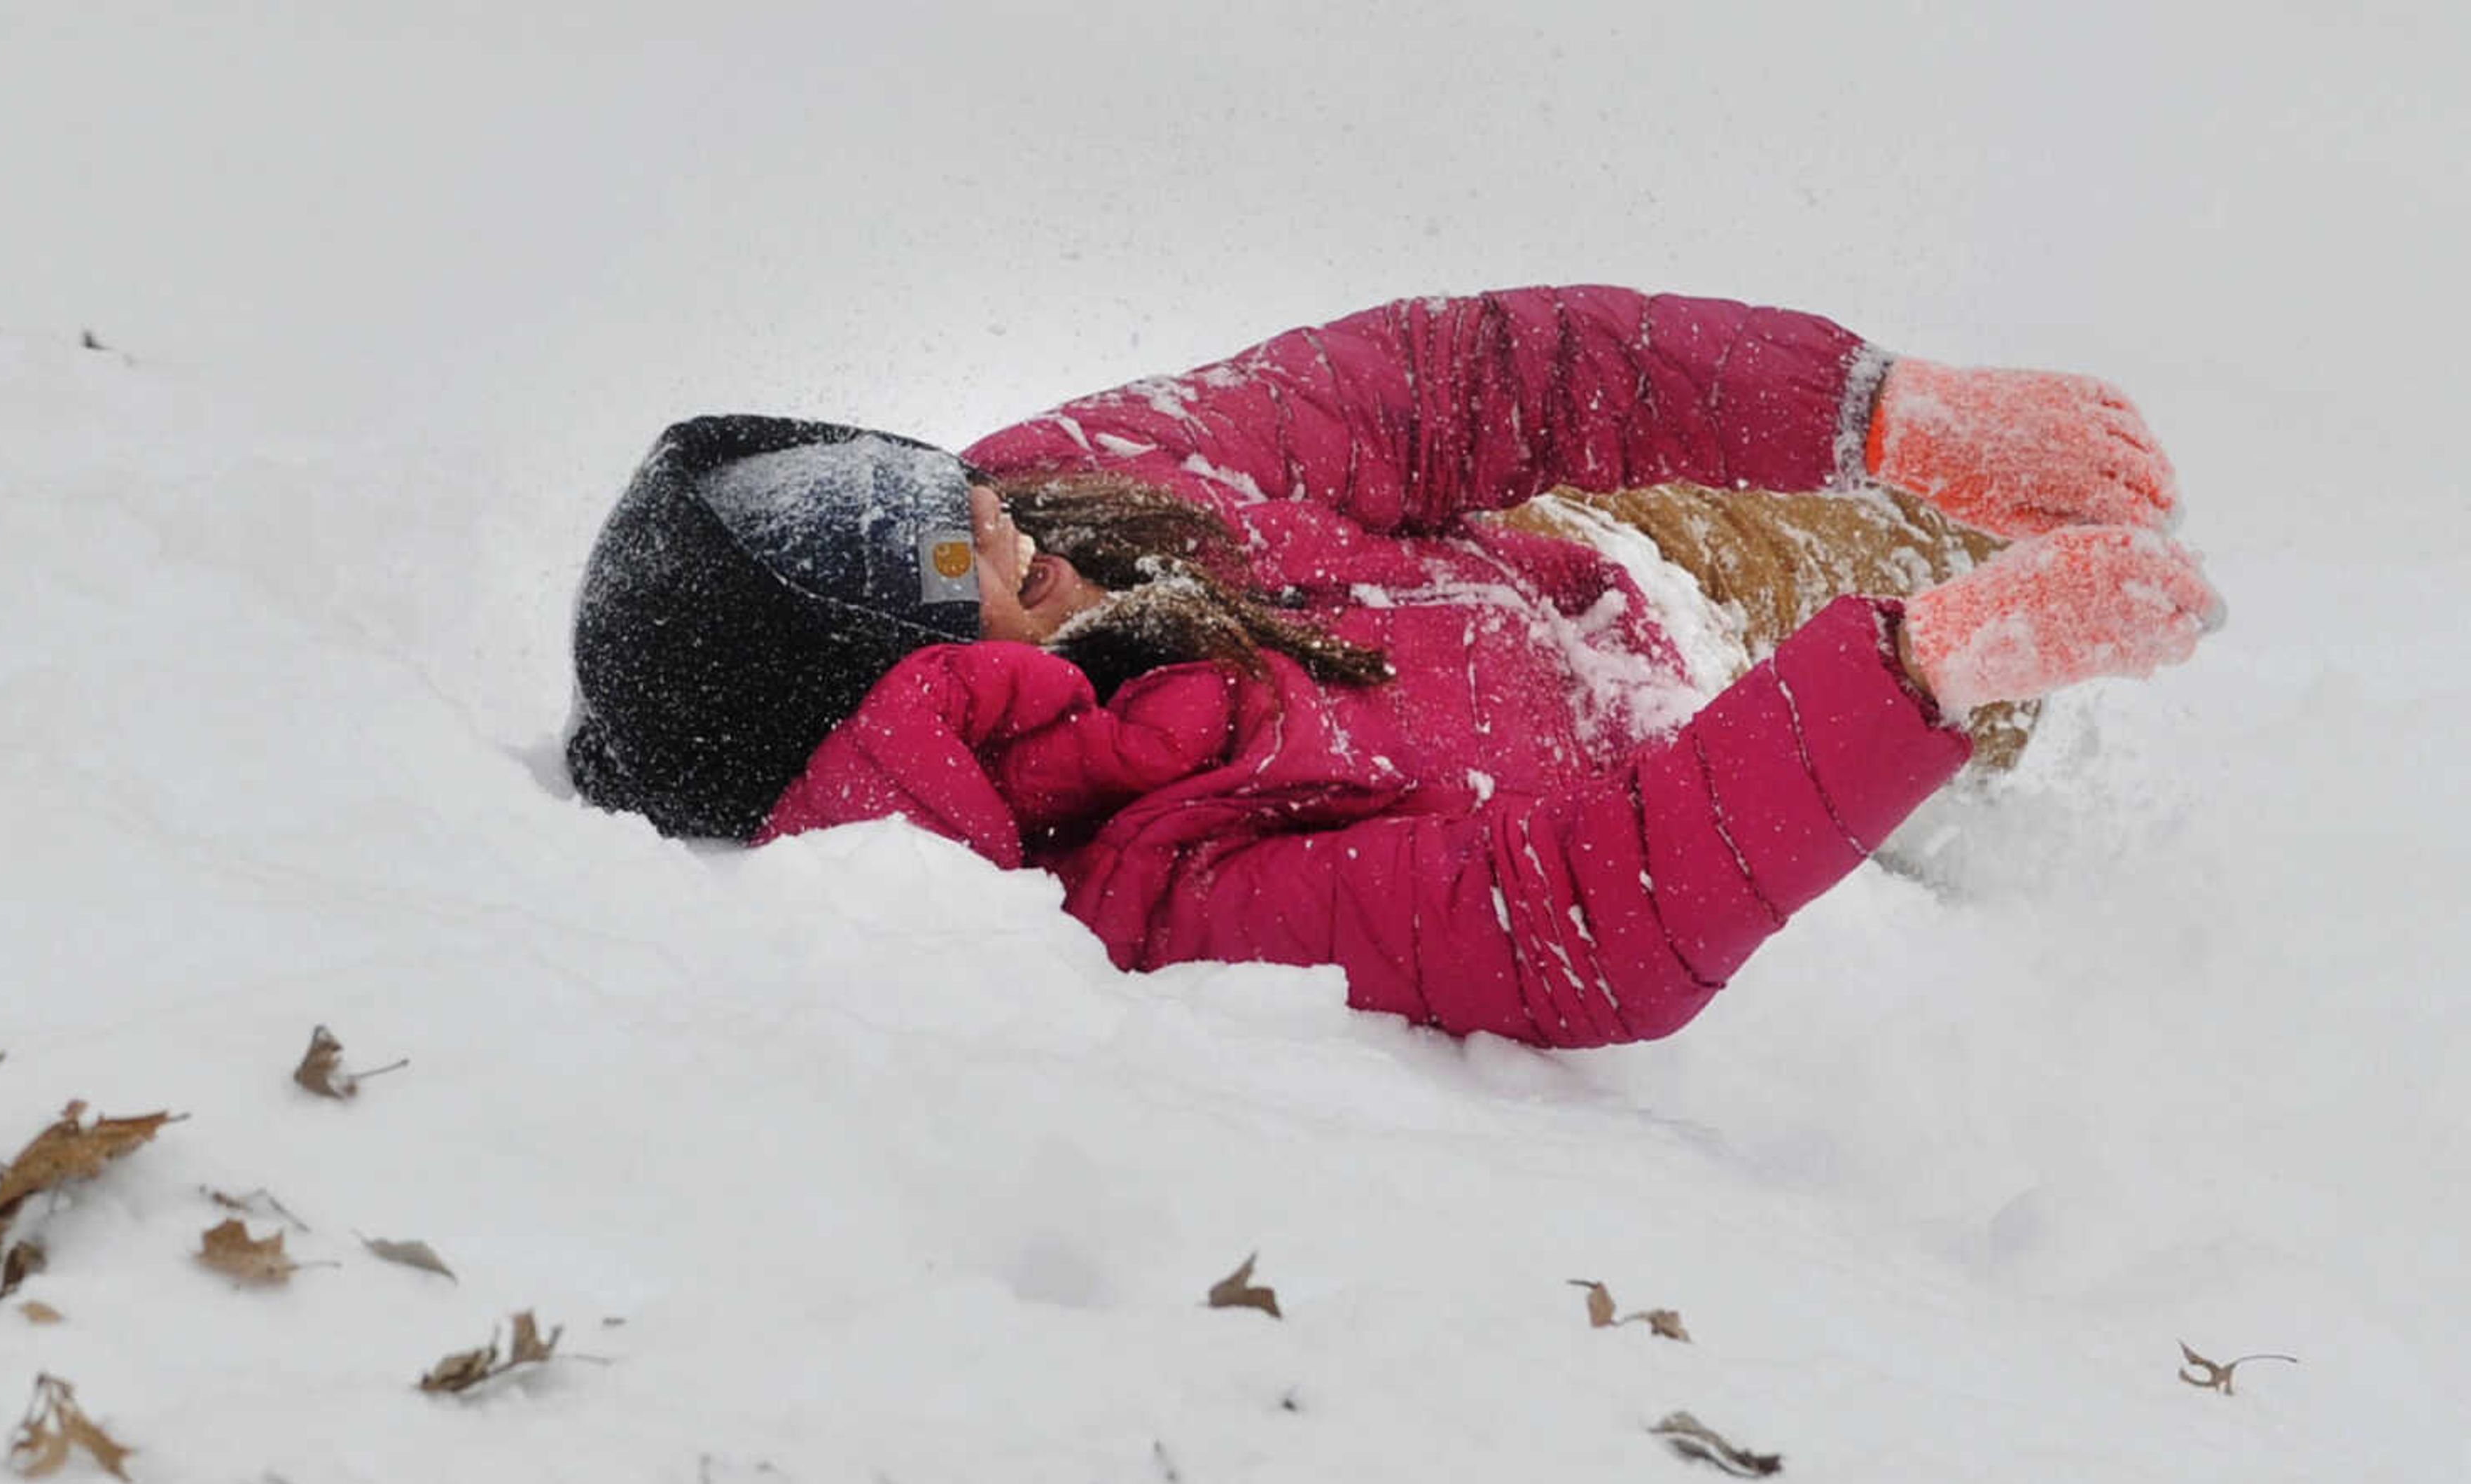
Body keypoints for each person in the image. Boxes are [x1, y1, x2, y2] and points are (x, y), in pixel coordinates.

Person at [566, 286, 2219, 1049]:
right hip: (1733, 750)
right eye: (914, 556)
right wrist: (1936, 670)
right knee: (2100, 687)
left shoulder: (1076, 483)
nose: (981, 517)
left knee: (2127, 511)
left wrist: (1877, 412)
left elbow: (1459, 384)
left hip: (1639, 558)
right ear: (878, 679)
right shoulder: (1153, 879)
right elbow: (1580, 919)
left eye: (905, 477)